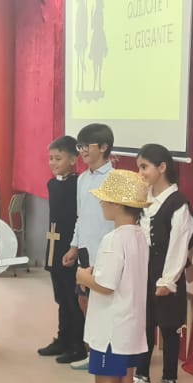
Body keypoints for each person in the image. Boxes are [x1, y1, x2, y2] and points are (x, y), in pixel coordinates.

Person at [75, 169, 150, 383]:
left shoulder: (113, 238)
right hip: (131, 326)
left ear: (118, 204)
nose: (102, 204)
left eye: (105, 199)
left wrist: (83, 276)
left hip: (110, 329)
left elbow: (105, 285)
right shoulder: (139, 236)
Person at [134, 144, 193, 383]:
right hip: (145, 271)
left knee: (169, 327)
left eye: (144, 167)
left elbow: (179, 244)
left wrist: (168, 279)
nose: (140, 173)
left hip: (166, 272)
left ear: (162, 167)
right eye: (139, 167)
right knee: (145, 324)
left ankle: (169, 380)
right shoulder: (145, 199)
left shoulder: (177, 203)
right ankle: (141, 375)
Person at [65, 123, 116, 365]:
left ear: (104, 147)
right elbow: (81, 215)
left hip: (107, 252)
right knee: (84, 300)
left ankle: (108, 353)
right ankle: (92, 351)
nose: (82, 150)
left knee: (104, 304)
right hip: (85, 251)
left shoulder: (115, 179)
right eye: (80, 146)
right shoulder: (83, 179)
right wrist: (74, 246)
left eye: (87, 145)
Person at [39, 136, 86, 365]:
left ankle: (77, 344)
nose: (53, 163)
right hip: (54, 245)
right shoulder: (52, 184)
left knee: (72, 297)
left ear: (73, 160)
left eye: (58, 158)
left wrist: (74, 247)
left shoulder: (78, 185)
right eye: (51, 158)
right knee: (60, 296)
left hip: (70, 246)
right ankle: (63, 338)